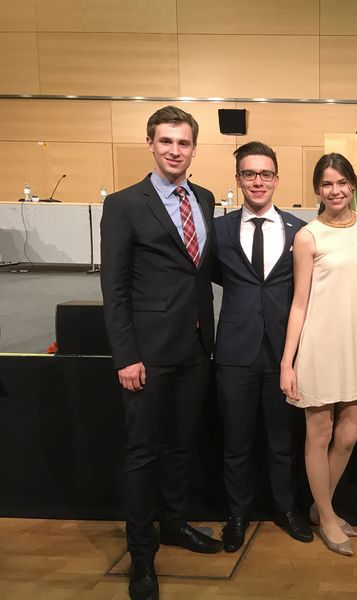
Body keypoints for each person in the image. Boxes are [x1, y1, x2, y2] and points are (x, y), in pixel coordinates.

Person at [100, 105, 221, 600]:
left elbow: (202, 269)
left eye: (184, 142)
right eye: (166, 141)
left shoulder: (206, 198)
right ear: (151, 143)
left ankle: (174, 523)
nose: (175, 150)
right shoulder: (125, 204)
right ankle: (142, 556)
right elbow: (116, 288)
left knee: (180, 446)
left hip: (196, 347)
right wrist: (126, 356)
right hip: (146, 354)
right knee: (143, 454)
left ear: (194, 147)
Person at [213, 141, 312, 552]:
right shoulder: (218, 229)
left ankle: (287, 509)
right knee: (235, 442)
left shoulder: (298, 231)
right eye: (249, 174)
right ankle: (237, 515)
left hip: (282, 353)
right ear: (237, 179)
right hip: (234, 352)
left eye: (265, 173)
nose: (258, 181)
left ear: (276, 178)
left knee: (282, 440)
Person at [280, 153, 357, 557]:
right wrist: (288, 362)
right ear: (318, 189)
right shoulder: (308, 236)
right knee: (318, 435)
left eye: (341, 182)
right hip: (319, 346)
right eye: (326, 184)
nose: (334, 190)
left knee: (349, 436)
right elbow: (299, 302)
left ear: (352, 185)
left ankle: (322, 510)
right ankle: (327, 515)